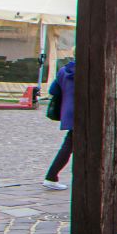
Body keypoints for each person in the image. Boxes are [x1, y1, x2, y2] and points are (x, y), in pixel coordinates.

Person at [42, 58, 75, 190]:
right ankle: (51, 176)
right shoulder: (90, 70)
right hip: (84, 112)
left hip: (68, 111)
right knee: (70, 146)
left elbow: (53, 90)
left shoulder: (63, 71)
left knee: (69, 145)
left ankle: (51, 176)